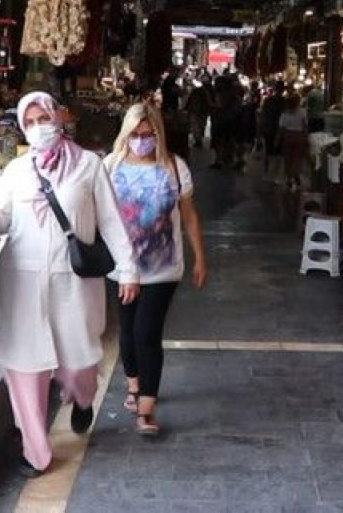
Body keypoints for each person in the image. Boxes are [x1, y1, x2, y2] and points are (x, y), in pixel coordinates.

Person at [0, 92, 138, 477]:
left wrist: (128, 269)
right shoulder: (16, 171)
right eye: (30, 122)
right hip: (21, 282)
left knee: (80, 362)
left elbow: (111, 221)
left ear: (58, 118)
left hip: (73, 282)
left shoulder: (88, 165)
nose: (39, 127)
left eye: (43, 118)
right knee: (24, 368)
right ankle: (36, 452)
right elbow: (3, 220)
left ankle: (83, 397)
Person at [104, 103, 207, 438]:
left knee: (147, 332)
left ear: (158, 134)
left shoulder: (175, 167)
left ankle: (146, 408)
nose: (141, 141)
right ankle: (134, 383)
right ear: (125, 133)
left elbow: (189, 215)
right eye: (135, 134)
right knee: (128, 330)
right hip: (122, 268)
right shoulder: (110, 166)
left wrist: (200, 257)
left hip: (164, 268)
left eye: (148, 135)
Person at [276, 94, 309, 191]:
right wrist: (306, 137)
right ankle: (295, 174)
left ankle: (289, 177)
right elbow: (304, 126)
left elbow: (281, 129)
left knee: (288, 158)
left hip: (288, 136)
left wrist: (277, 140)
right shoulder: (302, 112)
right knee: (297, 158)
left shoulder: (284, 114)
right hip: (299, 136)